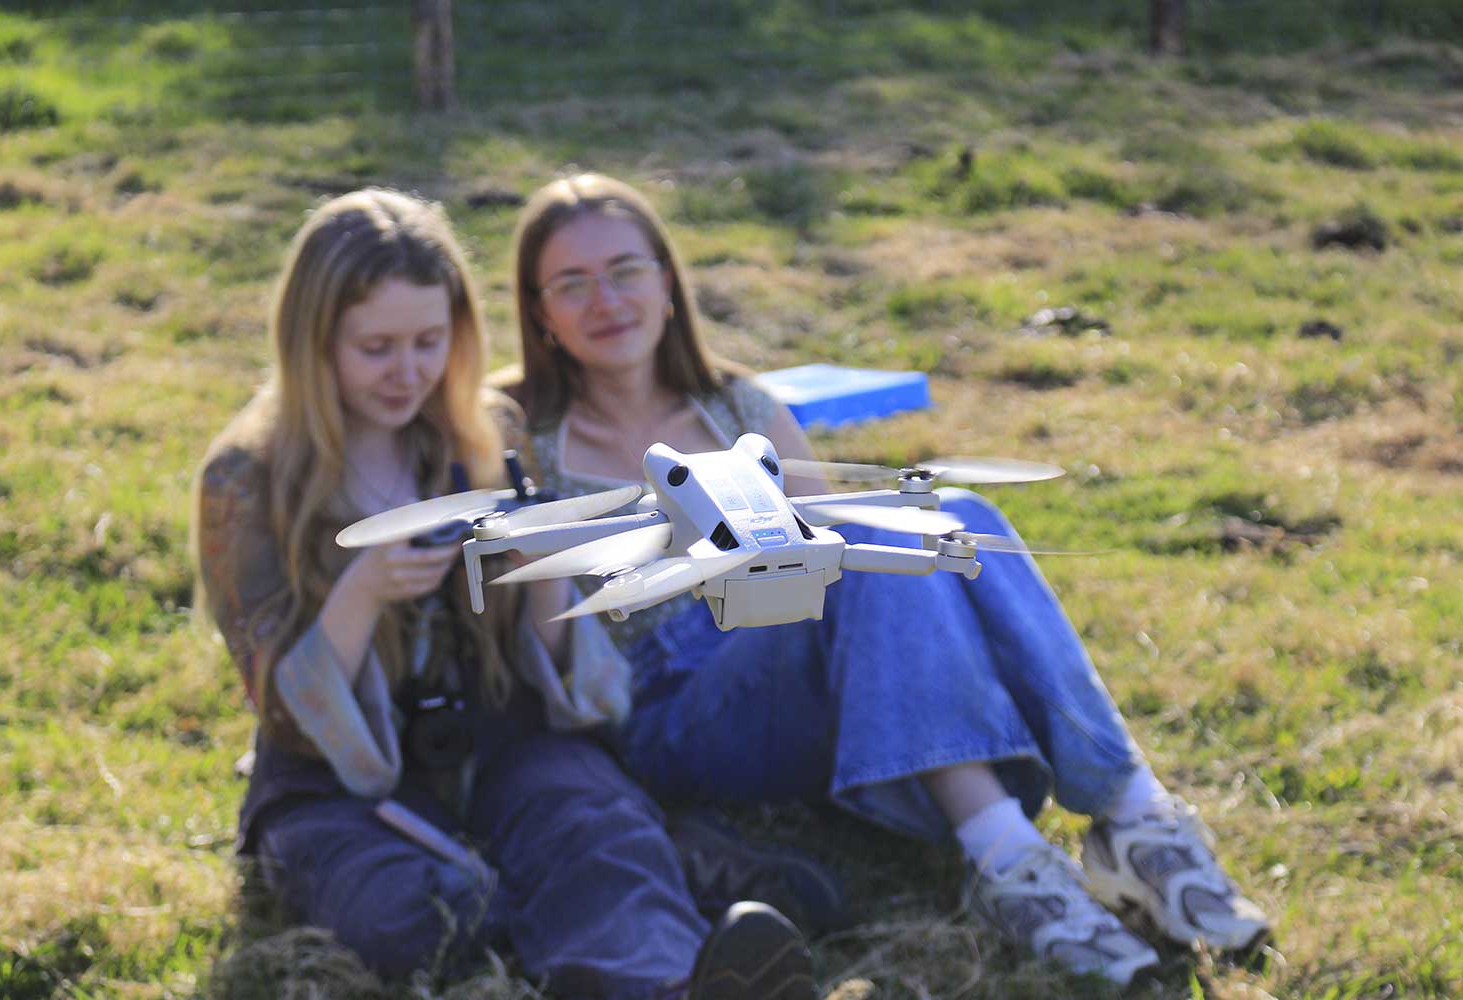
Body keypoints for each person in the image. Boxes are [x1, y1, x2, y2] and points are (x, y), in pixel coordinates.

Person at [494, 173, 1273, 987]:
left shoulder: (738, 406)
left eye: (623, 270)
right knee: (879, 534)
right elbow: (540, 653)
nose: (605, 301)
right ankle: (1013, 859)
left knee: (949, 516)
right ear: (538, 309)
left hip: (786, 668)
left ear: (664, 277)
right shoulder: (520, 431)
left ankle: (1135, 820)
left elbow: (859, 591)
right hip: (660, 707)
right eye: (571, 284)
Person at [192, 187, 822, 1000]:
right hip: (337, 787)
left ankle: (663, 977)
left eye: (429, 341)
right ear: (314, 345)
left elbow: (555, 656)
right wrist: (361, 592)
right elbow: (283, 712)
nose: (408, 372)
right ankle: (672, 873)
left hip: (504, 737)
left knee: (594, 831)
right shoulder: (249, 477)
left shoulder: (486, 432)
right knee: (410, 918)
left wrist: (545, 568)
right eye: (375, 347)